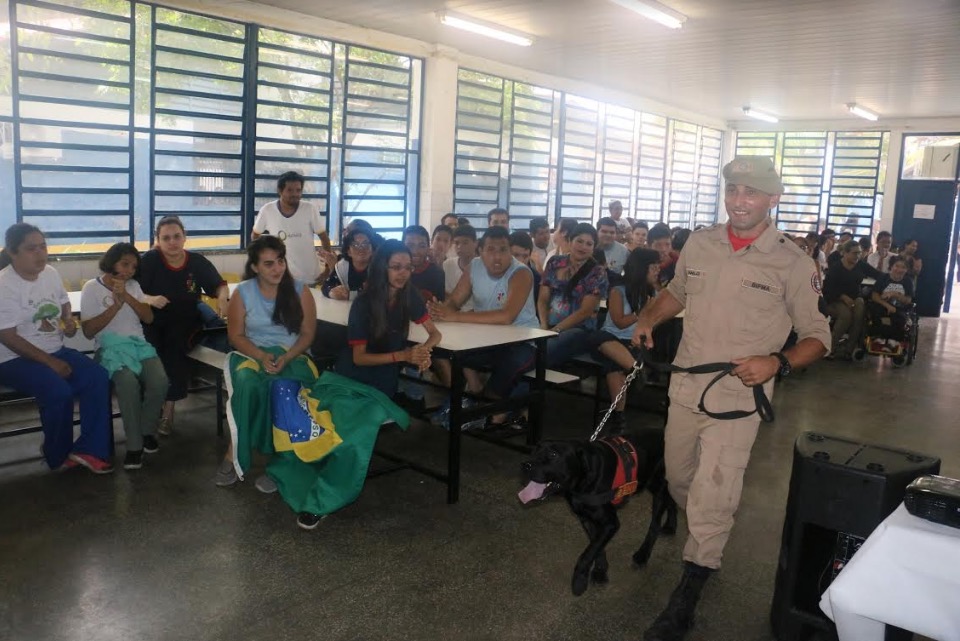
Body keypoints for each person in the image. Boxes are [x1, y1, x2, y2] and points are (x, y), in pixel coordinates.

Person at [630, 156, 830, 641]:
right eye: (734, 189)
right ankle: (698, 528)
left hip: (739, 400)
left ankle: (689, 590)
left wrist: (777, 363)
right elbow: (678, 291)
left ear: (773, 200)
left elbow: (819, 335)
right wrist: (649, 318)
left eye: (752, 193)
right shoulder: (700, 243)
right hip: (686, 389)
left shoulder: (793, 262)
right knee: (680, 480)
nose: (740, 200)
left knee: (714, 494)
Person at [0, 223, 114, 473]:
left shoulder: (50, 272)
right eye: (32, 249)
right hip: (12, 359)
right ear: (12, 252)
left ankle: (90, 450)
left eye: (43, 246)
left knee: (97, 377)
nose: (41, 254)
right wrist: (51, 363)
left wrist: (68, 320)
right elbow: (7, 337)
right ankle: (57, 454)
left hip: (54, 349)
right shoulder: (4, 285)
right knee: (58, 391)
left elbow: (63, 301)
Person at [214, 237, 317, 492]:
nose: (277, 269)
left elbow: (307, 335)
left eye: (280, 261)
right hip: (252, 354)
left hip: (293, 356)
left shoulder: (300, 291)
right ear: (256, 267)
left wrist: (287, 357)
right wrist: (261, 356)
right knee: (248, 385)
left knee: (283, 387)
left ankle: (283, 462)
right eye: (269, 264)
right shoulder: (244, 292)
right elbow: (235, 335)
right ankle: (235, 451)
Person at [428, 227, 538, 425]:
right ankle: (468, 399)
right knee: (442, 351)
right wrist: (440, 311)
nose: (497, 257)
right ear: (480, 251)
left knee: (510, 365)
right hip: (485, 338)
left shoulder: (521, 273)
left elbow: (506, 316)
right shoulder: (474, 266)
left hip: (523, 341)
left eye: (503, 250)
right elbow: (454, 301)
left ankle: (488, 409)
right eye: (491, 249)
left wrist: (454, 316)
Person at [80, 243, 168, 470]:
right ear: (112, 262)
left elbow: (148, 318)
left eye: (133, 266)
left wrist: (127, 296)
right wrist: (115, 306)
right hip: (108, 350)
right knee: (128, 384)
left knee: (160, 382)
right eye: (124, 264)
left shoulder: (134, 286)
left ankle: (147, 430)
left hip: (138, 345)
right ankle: (135, 446)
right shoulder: (92, 288)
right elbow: (88, 332)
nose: (129, 270)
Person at [139, 216, 229, 436]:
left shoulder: (196, 262)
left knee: (174, 350)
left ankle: (168, 412)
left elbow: (219, 285)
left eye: (177, 236)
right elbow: (132, 290)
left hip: (186, 322)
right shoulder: (149, 260)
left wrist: (223, 299)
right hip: (153, 320)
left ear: (185, 237)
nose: (172, 242)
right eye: (166, 238)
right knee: (148, 352)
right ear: (157, 240)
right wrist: (149, 299)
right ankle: (151, 407)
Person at [336, 240, 441, 399]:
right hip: (355, 379)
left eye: (408, 267)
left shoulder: (409, 293)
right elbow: (359, 358)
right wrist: (404, 356)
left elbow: (435, 334)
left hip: (386, 375)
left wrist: (422, 352)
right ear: (381, 268)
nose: (403, 273)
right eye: (396, 267)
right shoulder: (363, 303)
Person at [590, 248, 661, 432]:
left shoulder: (654, 292)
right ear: (641, 269)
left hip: (633, 341)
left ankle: (618, 416)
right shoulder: (618, 290)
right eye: (653, 268)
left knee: (613, 366)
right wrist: (641, 311)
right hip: (611, 338)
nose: (657, 271)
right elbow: (619, 322)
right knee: (599, 338)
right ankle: (637, 370)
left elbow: (655, 321)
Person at [538, 223, 609, 368]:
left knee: (544, 351)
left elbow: (585, 312)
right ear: (570, 241)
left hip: (579, 330)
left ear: (593, 248)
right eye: (579, 241)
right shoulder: (555, 262)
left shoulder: (597, 272)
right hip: (547, 325)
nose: (583, 247)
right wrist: (543, 325)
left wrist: (555, 330)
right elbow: (543, 298)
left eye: (589, 244)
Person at [252, 171, 330, 284]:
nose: (295, 194)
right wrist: (262, 263)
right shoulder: (267, 210)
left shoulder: (309, 209)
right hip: (280, 278)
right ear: (280, 190)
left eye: (298, 190)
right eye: (290, 190)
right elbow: (255, 236)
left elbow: (324, 238)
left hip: (310, 277)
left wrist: (328, 269)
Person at [823, 240, 883, 360]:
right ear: (845, 253)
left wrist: (895, 278)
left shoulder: (860, 265)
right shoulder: (836, 268)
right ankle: (830, 348)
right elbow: (827, 290)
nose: (858, 256)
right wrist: (843, 297)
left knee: (859, 312)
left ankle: (849, 349)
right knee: (846, 315)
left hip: (855, 297)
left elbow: (879, 276)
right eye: (855, 253)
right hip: (834, 299)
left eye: (859, 253)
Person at [868, 256, 914, 348]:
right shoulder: (883, 278)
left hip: (900, 308)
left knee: (899, 318)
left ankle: (894, 340)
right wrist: (887, 305)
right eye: (897, 266)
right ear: (891, 267)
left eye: (903, 267)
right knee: (875, 314)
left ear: (907, 270)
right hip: (882, 305)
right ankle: (879, 338)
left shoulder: (908, 281)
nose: (899, 269)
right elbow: (874, 295)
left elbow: (908, 300)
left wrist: (894, 294)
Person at [321, 225, 377, 300]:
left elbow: (379, 294)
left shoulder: (378, 268)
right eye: (355, 245)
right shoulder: (342, 266)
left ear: (372, 249)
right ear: (348, 251)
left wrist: (350, 295)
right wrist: (332, 292)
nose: (361, 248)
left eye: (365, 244)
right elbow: (326, 286)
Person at [403, 225, 445, 303]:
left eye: (421, 246)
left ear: (428, 248)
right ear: (402, 246)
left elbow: (439, 307)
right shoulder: (396, 272)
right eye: (410, 246)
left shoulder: (436, 273)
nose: (415, 251)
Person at [443, 225, 478, 311]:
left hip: (478, 315)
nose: (459, 247)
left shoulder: (483, 266)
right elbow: (446, 295)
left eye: (465, 243)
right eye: (457, 243)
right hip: (453, 312)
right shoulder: (447, 265)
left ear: (475, 243)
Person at [508, 231, 542, 307]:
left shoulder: (536, 279)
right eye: (516, 255)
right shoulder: (497, 274)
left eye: (525, 256)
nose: (520, 261)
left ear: (530, 256)